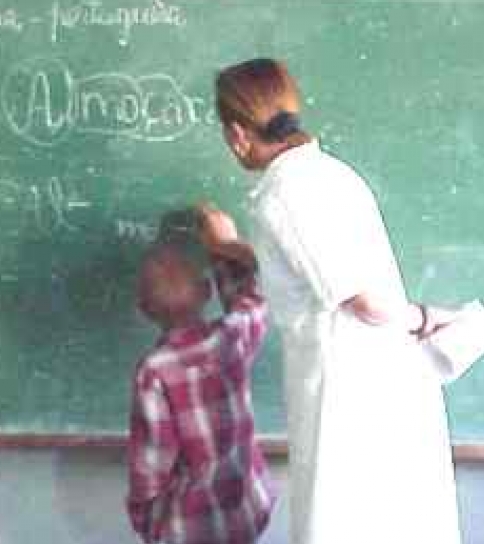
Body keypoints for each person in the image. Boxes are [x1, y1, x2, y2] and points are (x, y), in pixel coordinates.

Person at [209, 58, 462, 544]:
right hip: (376, 378)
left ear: (238, 134)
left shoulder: (284, 193)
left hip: (348, 388)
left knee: (343, 525)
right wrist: (233, 249)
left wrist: (426, 317)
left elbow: (364, 301)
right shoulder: (328, 173)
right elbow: (304, 268)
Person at [126, 212, 276, 544]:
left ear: (143, 308)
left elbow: (151, 461)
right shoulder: (233, 335)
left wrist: (146, 519)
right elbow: (253, 301)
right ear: (207, 291)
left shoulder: (154, 371)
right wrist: (222, 248)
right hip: (247, 509)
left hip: (189, 525)